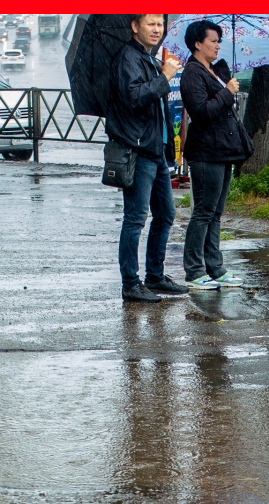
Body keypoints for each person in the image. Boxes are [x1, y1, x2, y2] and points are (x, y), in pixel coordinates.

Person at [106, 14, 187, 303]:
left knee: (165, 215)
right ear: (135, 26)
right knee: (136, 218)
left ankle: (155, 275)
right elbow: (134, 98)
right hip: (137, 149)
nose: (157, 29)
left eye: (160, 25)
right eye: (151, 23)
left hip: (155, 150)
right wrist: (164, 77)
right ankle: (130, 283)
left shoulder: (148, 59)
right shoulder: (127, 58)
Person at [179, 19, 251, 290]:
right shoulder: (192, 73)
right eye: (213, 41)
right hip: (205, 151)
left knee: (216, 211)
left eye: (219, 41)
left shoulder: (215, 70)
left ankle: (215, 266)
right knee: (204, 210)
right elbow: (203, 112)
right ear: (198, 44)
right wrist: (226, 92)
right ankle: (194, 269)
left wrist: (226, 82)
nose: (218, 45)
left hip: (224, 150)